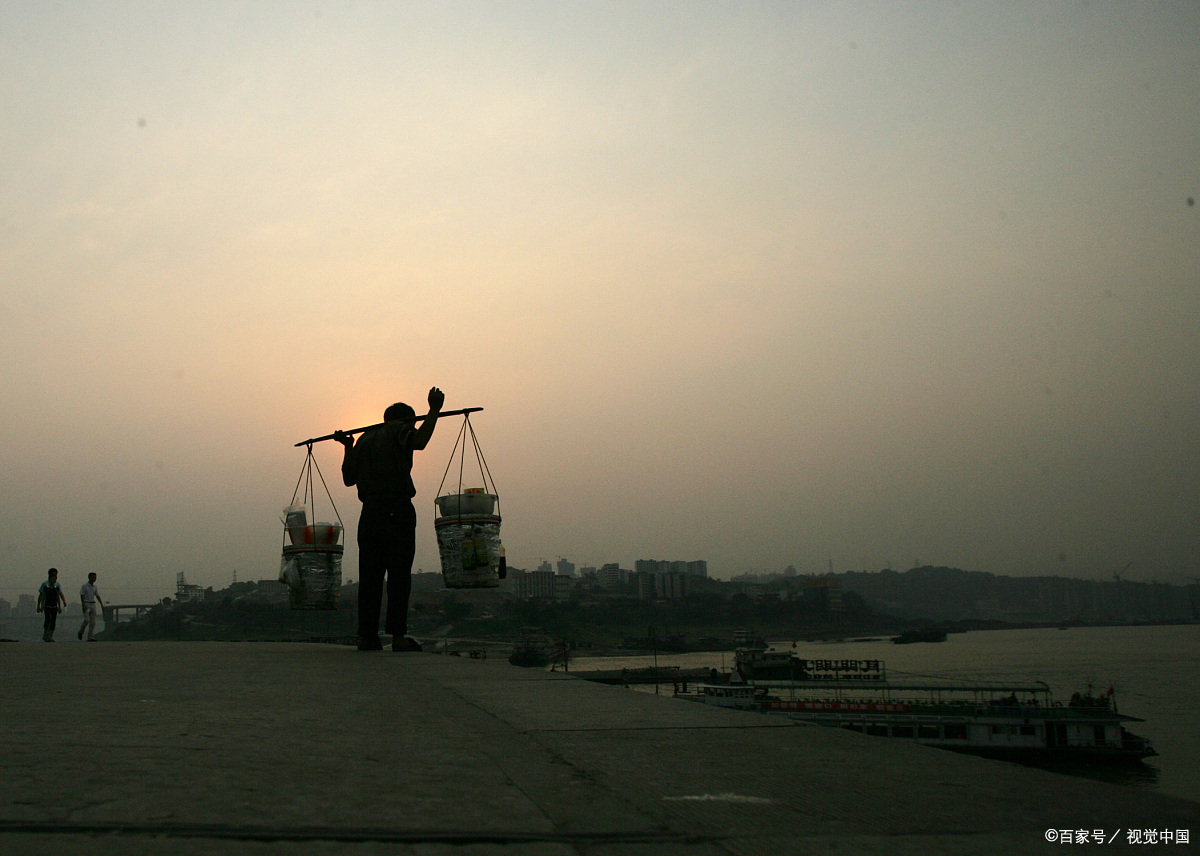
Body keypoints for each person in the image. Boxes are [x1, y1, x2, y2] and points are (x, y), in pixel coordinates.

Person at [336, 387, 443, 652]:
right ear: (406, 420)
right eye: (414, 421)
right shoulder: (399, 430)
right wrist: (434, 410)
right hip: (396, 509)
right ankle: (397, 636)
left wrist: (348, 447)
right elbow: (419, 441)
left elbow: (349, 479)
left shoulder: (364, 439)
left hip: (370, 513)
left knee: (370, 577)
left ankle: (368, 637)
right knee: (398, 576)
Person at [36, 568, 67, 642]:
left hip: (54, 605)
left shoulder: (57, 585)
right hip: (47, 605)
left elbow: (59, 595)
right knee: (47, 620)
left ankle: (50, 636)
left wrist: (63, 603)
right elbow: (41, 595)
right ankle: (45, 635)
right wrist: (39, 605)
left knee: (53, 621)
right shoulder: (45, 585)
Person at [77, 572, 105, 641]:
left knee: (92, 622)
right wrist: (83, 605)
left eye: (95, 577)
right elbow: (82, 595)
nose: (94, 578)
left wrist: (101, 604)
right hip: (86, 603)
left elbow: (97, 595)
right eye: (93, 577)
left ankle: (90, 637)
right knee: (86, 620)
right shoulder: (84, 586)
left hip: (92, 604)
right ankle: (81, 631)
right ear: (89, 578)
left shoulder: (95, 587)